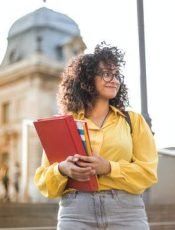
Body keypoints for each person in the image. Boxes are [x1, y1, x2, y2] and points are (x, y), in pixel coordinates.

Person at [34, 42, 158, 230]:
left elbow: (148, 173)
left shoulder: (133, 120)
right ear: (87, 78)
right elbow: (44, 183)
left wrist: (109, 167)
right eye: (107, 74)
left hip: (126, 212)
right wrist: (62, 169)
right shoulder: (64, 124)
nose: (114, 80)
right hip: (76, 212)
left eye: (116, 75)